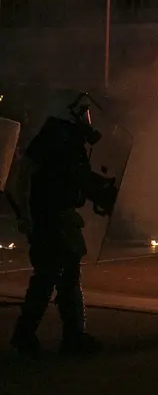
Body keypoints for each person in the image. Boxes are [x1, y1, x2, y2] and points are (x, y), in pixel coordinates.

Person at [9, 90, 118, 357]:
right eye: (82, 112)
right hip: (53, 216)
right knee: (57, 276)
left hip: (56, 215)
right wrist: (99, 188)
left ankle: (30, 336)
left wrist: (100, 187)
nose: (86, 118)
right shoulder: (60, 138)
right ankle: (69, 337)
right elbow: (66, 176)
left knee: (53, 276)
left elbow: (71, 176)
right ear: (68, 112)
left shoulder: (59, 137)